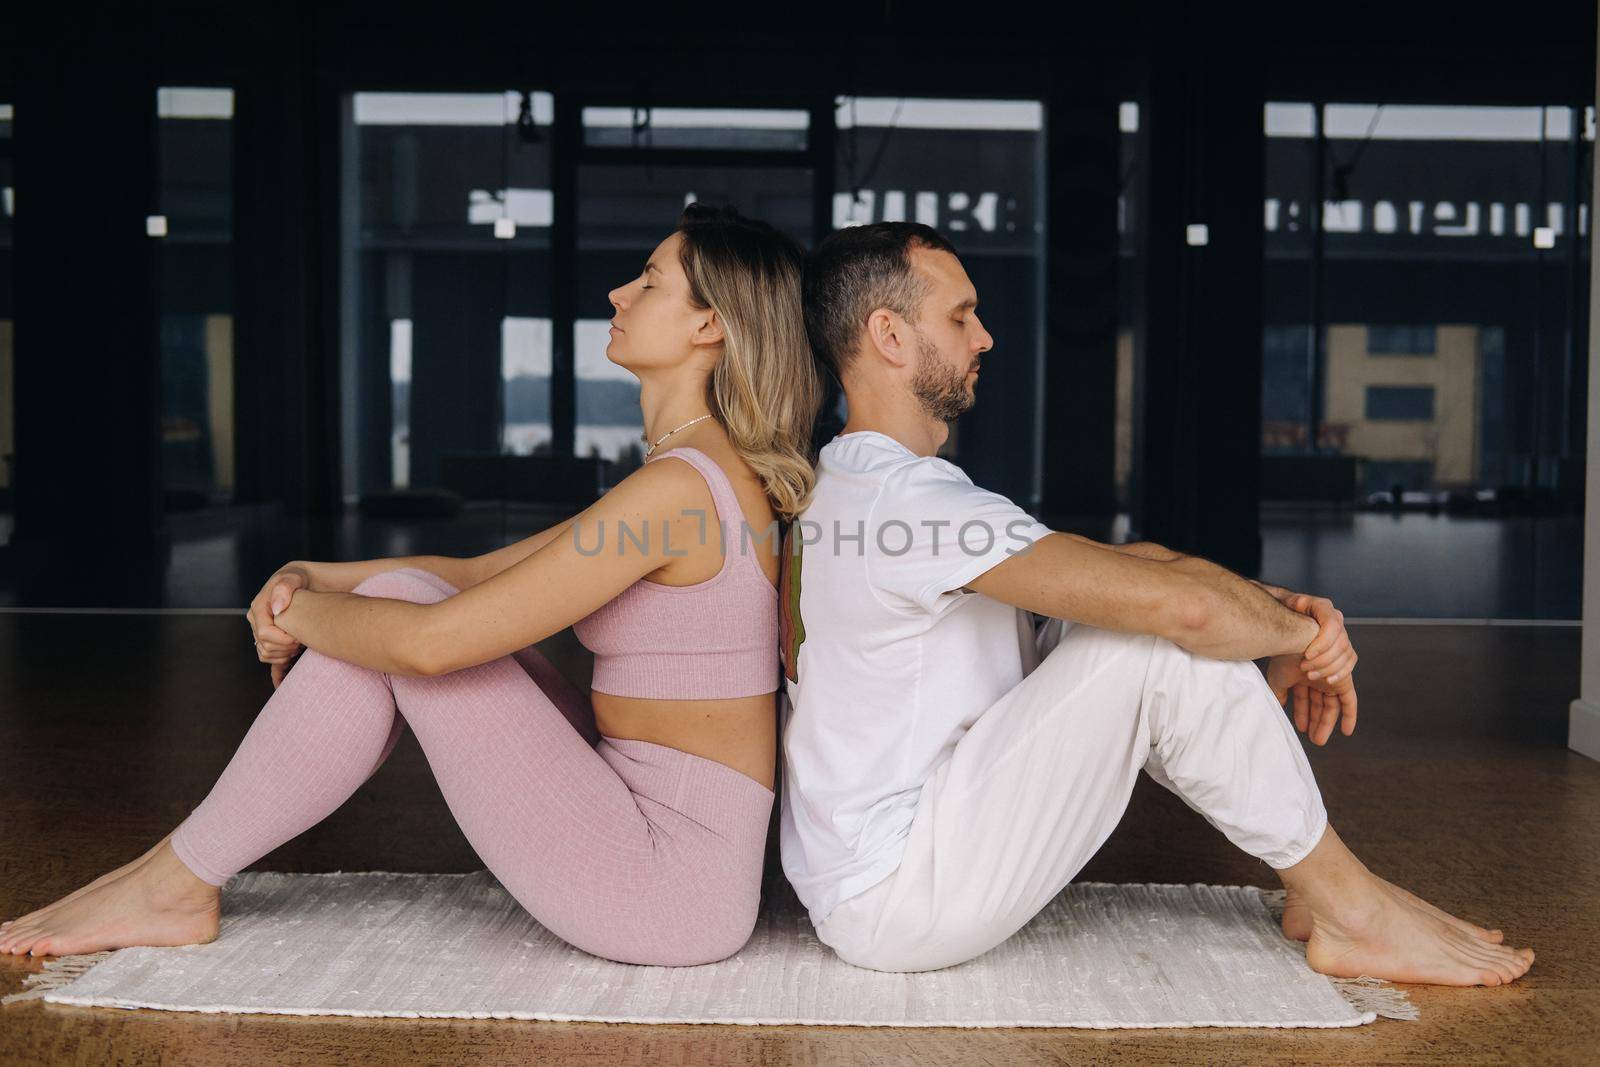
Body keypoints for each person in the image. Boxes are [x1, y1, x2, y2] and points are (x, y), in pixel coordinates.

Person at [1, 203, 822, 967]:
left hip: (666, 886)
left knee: (404, 620)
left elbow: (432, 645)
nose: (617, 291)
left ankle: (176, 880)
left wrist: (303, 611)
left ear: (709, 323)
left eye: (648, 280)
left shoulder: (681, 488)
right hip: (674, 849)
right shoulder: (698, 471)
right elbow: (474, 576)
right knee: (400, 588)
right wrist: (315, 575)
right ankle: (173, 872)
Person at [775, 220, 1535, 985]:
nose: (985, 337)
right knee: (1151, 643)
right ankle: (1353, 909)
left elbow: (1114, 571)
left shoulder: (862, 483)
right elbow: (1185, 610)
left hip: (879, 868)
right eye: (961, 315)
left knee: (1131, 616)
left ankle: (1322, 889)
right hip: (900, 892)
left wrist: (1275, 610)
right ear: (890, 336)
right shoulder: (907, 501)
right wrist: (1294, 634)